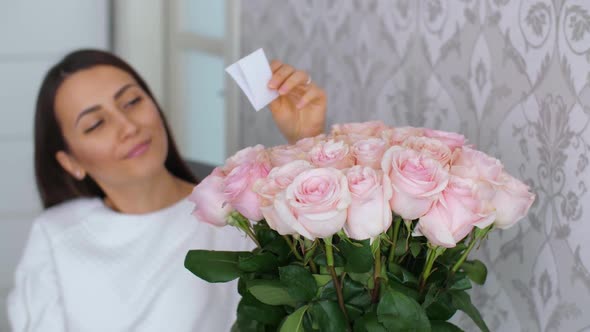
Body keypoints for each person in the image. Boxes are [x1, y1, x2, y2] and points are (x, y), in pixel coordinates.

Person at [6, 49, 327, 332]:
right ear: (70, 161)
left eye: (132, 102)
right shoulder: (55, 235)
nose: (128, 126)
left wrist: (307, 138)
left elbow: (321, 291)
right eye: (95, 124)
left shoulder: (240, 213)